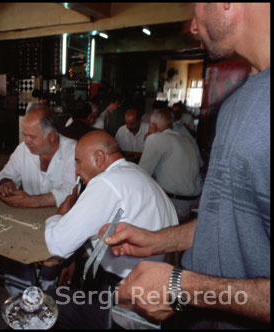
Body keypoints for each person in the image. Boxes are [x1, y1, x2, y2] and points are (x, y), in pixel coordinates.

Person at [102, 3, 270, 329]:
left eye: (196, 7)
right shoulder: (237, 103)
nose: (193, 26)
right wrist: (157, 240)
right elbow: (231, 220)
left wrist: (183, 288)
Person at [44, 130, 178, 329]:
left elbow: (57, 245)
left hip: (127, 295)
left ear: (98, 158)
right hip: (157, 287)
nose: (76, 170)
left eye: (78, 161)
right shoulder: (136, 173)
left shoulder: (106, 182)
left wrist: (60, 215)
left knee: (47, 304)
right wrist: (78, 256)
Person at [0, 106, 76, 208]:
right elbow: (6, 173)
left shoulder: (73, 152)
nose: (26, 141)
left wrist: (31, 201)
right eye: (25, 135)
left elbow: (71, 192)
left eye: (32, 137)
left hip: (62, 217)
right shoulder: (23, 149)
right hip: (30, 216)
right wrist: (6, 183)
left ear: (51, 136)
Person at [138, 108, 202, 222]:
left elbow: (142, 173)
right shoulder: (186, 140)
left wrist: (147, 142)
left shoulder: (156, 138)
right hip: (195, 202)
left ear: (153, 126)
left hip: (175, 204)